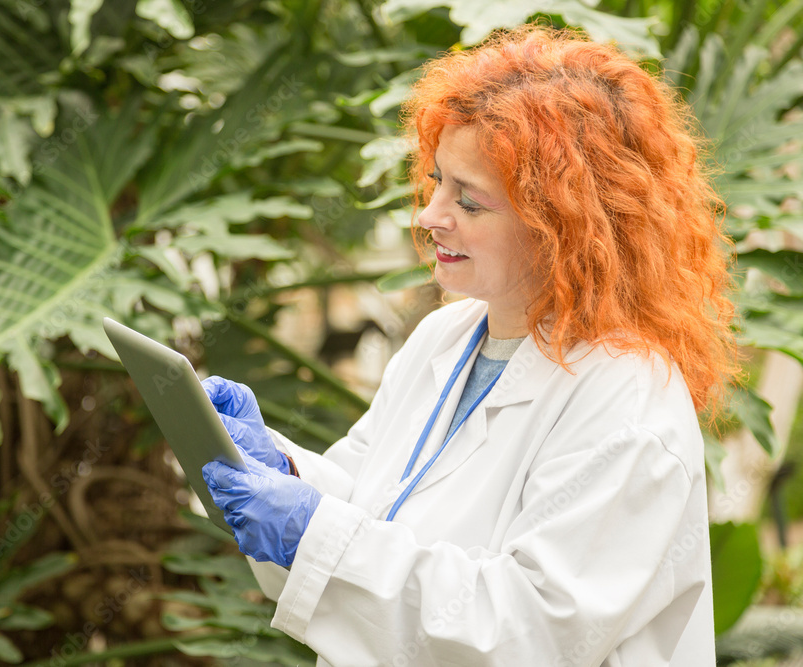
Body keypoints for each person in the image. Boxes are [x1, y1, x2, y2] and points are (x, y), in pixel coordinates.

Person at [200, 24, 743, 666]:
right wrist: (279, 471)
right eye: (436, 182)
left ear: (563, 226)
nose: (431, 216)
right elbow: (374, 501)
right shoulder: (449, 336)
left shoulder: (628, 401)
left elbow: (525, 633)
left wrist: (308, 533)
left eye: (471, 202)